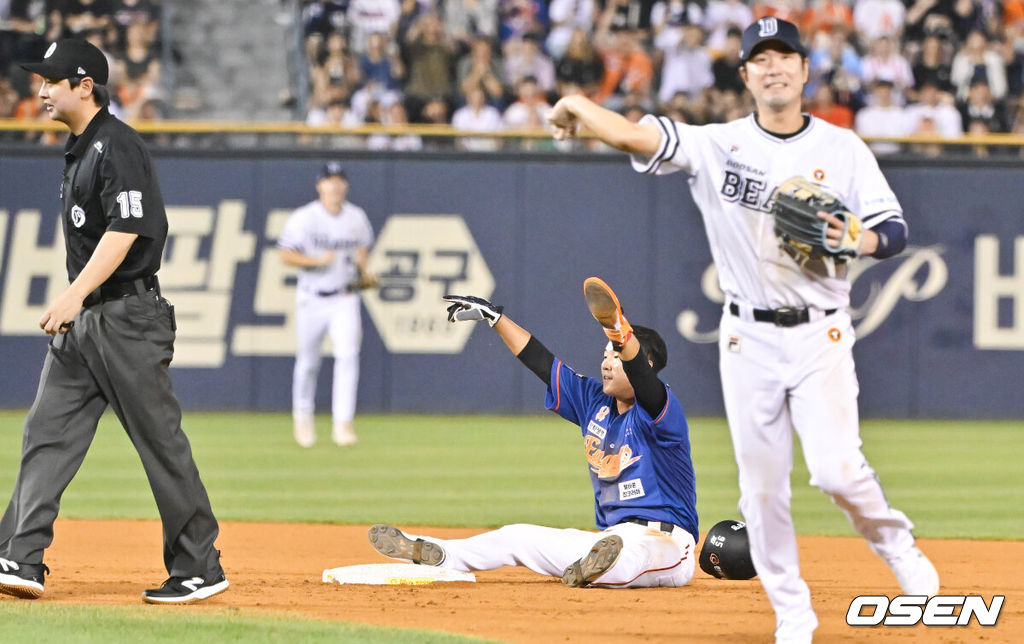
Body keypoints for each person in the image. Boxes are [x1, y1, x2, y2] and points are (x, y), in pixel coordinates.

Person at [546, 17, 939, 643]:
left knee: (837, 469)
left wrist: (858, 237)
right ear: (747, 74)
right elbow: (632, 134)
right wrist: (575, 104)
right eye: (762, 58)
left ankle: (900, 551)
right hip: (746, 337)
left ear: (806, 71)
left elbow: (893, 231)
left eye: (787, 56)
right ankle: (792, 616)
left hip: (821, 333)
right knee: (762, 489)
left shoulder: (843, 150)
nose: (775, 67)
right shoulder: (716, 143)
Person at [0, 38, 227, 604]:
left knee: (159, 443)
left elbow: (124, 233)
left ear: (85, 86)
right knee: (46, 434)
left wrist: (74, 295)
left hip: (127, 316)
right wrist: (79, 303)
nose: (41, 89)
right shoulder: (80, 149)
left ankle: (200, 566)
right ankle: (19, 556)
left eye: (53, 80)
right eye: (40, 80)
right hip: (87, 323)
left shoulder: (117, 144)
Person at [369, 278, 699, 589]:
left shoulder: (660, 410)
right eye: (604, 355)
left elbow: (642, 378)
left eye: (616, 356)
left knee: (634, 557)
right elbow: (542, 361)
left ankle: (599, 568)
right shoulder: (593, 402)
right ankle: (441, 554)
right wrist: (496, 318)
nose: (607, 363)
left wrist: (619, 333)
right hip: (610, 537)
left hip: (668, 543)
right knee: (517, 536)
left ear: (646, 363)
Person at [278, 162, 375, 448]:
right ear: (319, 185)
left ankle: (343, 424)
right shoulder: (305, 217)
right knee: (308, 362)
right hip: (311, 296)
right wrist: (317, 262)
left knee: (347, 356)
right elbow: (285, 255)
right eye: (329, 180)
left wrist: (364, 271)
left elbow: (362, 251)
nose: (335, 185)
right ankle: (303, 417)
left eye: (339, 180)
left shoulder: (356, 217)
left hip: (345, 296)